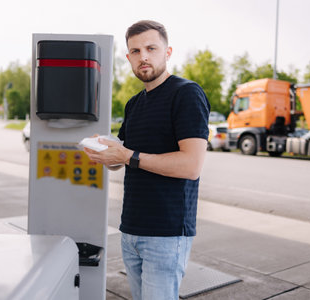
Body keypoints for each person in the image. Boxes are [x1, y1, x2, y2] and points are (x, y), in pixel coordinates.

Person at [84, 20, 210, 300]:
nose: (143, 56)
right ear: (128, 57)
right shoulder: (134, 103)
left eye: (151, 48)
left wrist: (127, 155)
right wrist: (108, 153)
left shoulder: (186, 94)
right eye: (135, 51)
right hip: (131, 229)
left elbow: (191, 166)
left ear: (168, 51)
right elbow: (127, 158)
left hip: (166, 233)